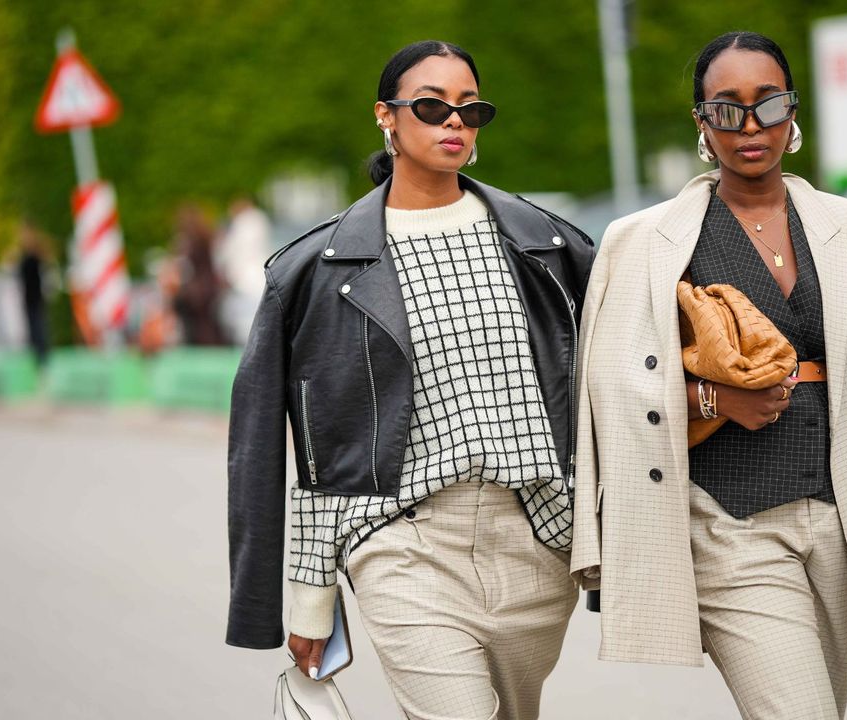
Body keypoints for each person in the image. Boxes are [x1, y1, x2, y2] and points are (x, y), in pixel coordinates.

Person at [570, 31, 847, 719]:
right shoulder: (642, 241)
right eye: (726, 108)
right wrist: (713, 395)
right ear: (702, 123)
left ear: (793, 112)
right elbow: (609, 393)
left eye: (767, 103)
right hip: (726, 526)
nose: (750, 125)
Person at [227, 40, 595, 720]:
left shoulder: (546, 245)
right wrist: (310, 599)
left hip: (537, 540)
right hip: (401, 542)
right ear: (386, 117)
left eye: (470, 108)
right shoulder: (318, 270)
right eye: (431, 106)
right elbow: (309, 443)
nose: (454, 121)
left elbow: (614, 385)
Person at [215, 195, 272, 345]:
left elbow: (228, 253)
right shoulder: (257, 221)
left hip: (246, 283)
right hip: (254, 280)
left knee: (246, 329)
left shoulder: (245, 223)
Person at [170, 205, 225, 346]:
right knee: (208, 325)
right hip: (208, 288)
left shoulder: (191, 240)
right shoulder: (206, 237)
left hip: (197, 291)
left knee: (198, 328)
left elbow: (185, 265)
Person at [16, 222, 51, 365]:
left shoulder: (36, 255)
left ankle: (43, 359)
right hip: (28, 297)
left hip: (36, 297)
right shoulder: (25, 255)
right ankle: (36, 359)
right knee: (32, 329)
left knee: (39, 329)